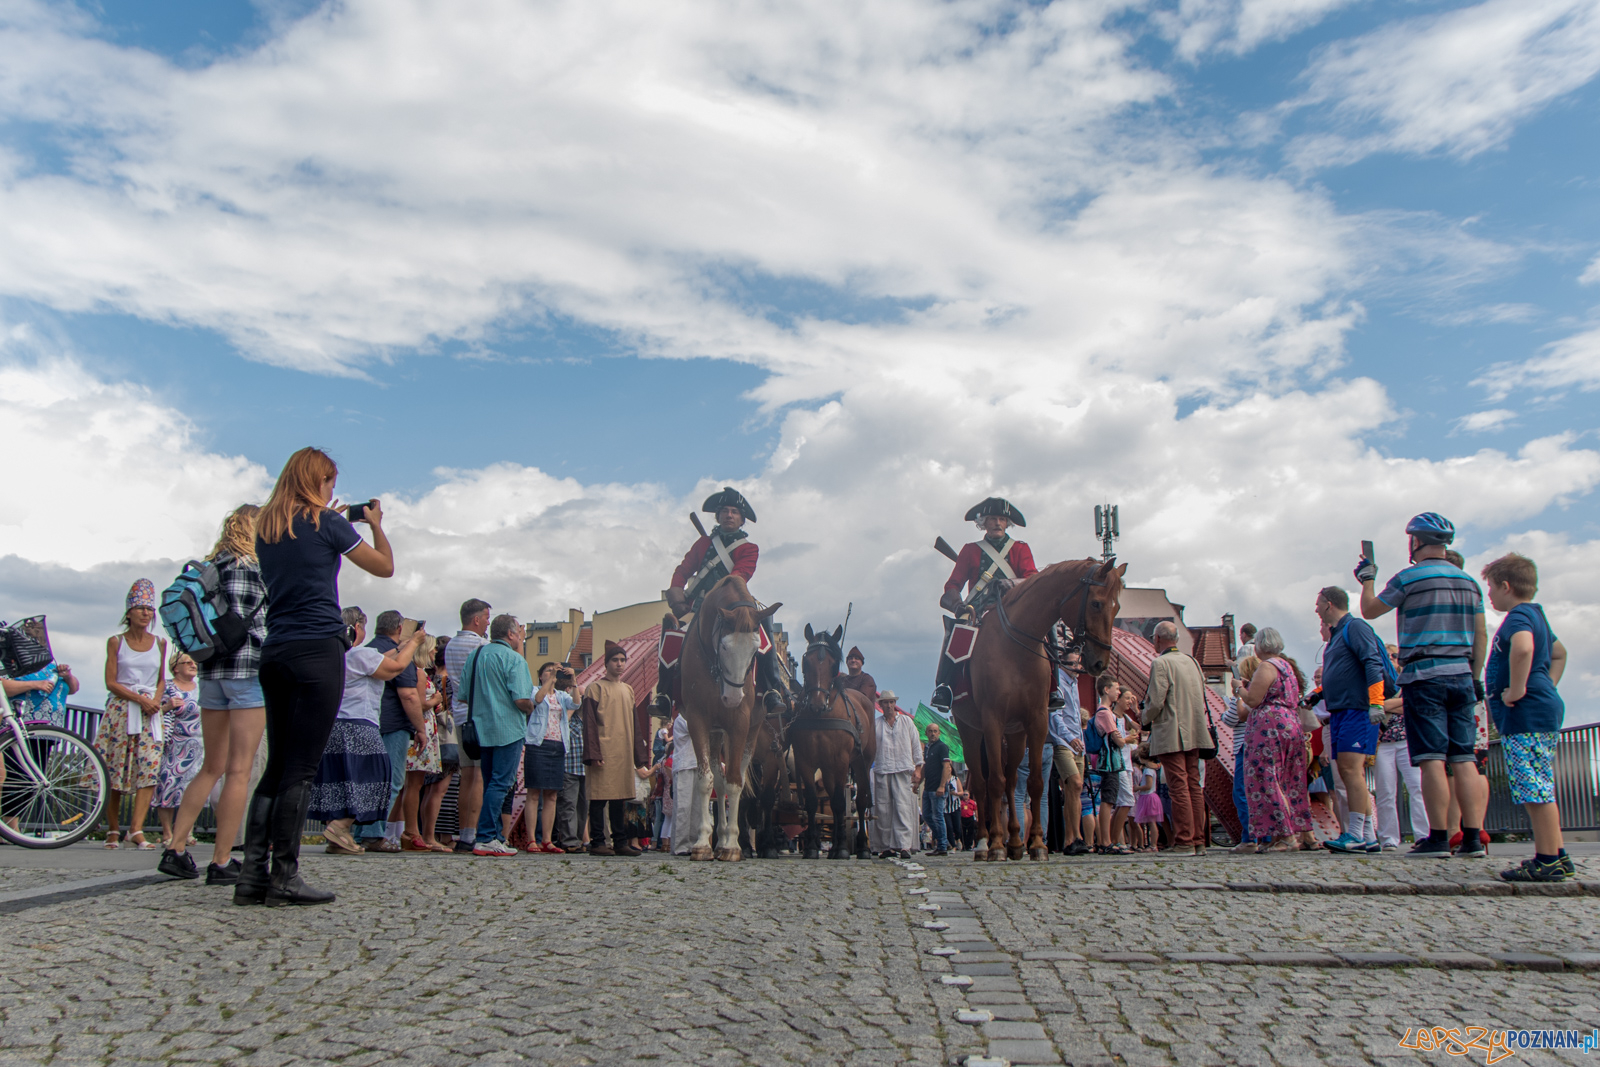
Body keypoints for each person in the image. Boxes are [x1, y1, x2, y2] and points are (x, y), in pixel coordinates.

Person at [243, 447, 395, 906]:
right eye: (329, 480)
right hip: (317, 649)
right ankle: (285, 876)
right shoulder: (329, 524)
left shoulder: (267, 528)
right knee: (302, 769)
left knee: (276, 768)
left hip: (276, 650)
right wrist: (375, 524)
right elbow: (384, 567)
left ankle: (252, 875)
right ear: (319, 481)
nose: (332, 489)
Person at [1358, 512, 1489, 859]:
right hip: (1462, 674)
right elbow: (1481, 636)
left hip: (1423, 675)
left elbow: (1370, 611)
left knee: (1431, 758)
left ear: (1414, 542)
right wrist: (1475, 677)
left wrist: (1367, 580)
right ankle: (1473, 838)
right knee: (1464, 758)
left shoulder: (1409, 578)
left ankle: (1439, 837)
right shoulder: (1468, 582)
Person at [158, 504, 269, 885]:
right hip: (248, 674)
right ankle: (221, 860)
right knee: (239, 770)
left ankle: (175, 847)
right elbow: (262, 627)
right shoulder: (255, 568)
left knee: (211, 766)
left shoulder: (212, 568)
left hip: (210, 674)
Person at [1481, 554, 1573, 882]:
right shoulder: (1537, 615)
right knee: (1538, 782)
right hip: (1541, 706)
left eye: (1491, 587)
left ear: (1506, 586)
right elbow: (1560, 652)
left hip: (1525, 713)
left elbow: (1522, 649)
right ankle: (1557, 853)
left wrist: (1516, 690)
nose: (1489, 595)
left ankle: (1547, 859)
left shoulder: (1518, 617)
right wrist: (1546, 683)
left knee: (1533, 786)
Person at [658, 487, 788, 715]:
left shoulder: (749, 549)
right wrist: (677, 590)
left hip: (732, 606)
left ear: (741, 519)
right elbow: (684, 569)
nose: (729, 515)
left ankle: (771, 690)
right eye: (725, 511)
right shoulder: (702, 545)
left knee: (764, 630)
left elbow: (737, 578)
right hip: (697, 608)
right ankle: (664, 695)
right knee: (670, 632)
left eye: (735, 512)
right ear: (718, 516)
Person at [310, 607, 425, 855]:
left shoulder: (338, 655)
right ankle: (340, 826)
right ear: (358, 627)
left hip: (334, 724)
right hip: (360, 724)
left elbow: (380, 658)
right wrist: (414, 642)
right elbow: (394, 668)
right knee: (375, 779)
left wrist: (400, 645)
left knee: (343, 781)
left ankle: (338, 837)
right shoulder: (360, 655)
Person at [932, 497, 1061, 710]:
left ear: (1007, 523)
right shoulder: (970, 550)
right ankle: (945, 686)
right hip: (978, 609)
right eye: (992, 519)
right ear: (983, 522)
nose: (997, 523)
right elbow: (952, 585)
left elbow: (1032, 579)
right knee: (958, 629)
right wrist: (958, 606)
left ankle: (1054, 687)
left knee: (1049, 626)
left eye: (1002, 519)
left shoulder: (1020, 549)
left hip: (1016, 607)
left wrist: (1008, 583)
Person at [1313, 586, 1387, 854]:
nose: (1316, 609)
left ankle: (1355, 833)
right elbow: (1343, 672)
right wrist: (1318, 694)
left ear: (1329, 604)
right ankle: (1367, 835)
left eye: (1318, 604)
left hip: (1357, 708)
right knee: (1347, 770)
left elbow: (1372, 662)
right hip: (1341, 709)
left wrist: (1377, 701)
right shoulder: (1337, 635)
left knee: (1350, 770)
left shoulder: (1355, 627)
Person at [96, 579, 168, 850]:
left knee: (148, 768)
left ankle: (136, 829)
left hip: (150, 711)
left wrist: (155, 701)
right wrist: (139, 699)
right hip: (122, 710)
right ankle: (113, 829)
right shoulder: (116, 642)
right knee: (115, 769)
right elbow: (111, 681)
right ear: (128, 612)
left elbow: (162, 678)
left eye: (149, 609)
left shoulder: (160, 643)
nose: (145, 613)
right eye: (140, 608)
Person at [458, 614, 533, 857]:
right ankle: (487, 836)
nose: (521, 636)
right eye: (519, 632)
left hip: (482, 728)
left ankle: (496, 837)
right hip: (508, 728)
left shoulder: (476, 655)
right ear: (511, 634)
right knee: (501, 783)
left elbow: (462, 695)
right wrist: (532, 706)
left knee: (491, 782)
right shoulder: (515, 659)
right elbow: (521, 699)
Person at [354, 611, 426, 852]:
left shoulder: (366, 650)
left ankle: (356, 831)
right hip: (393, 724)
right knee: (390, 780)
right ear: (399, 628)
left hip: (367, 721)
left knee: (365, 779)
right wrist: (420, 728)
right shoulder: (399, 655)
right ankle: (374, 832)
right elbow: (408, 695)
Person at [1237, 629, 1312, 853]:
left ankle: (1285, 836)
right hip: (1291, 723)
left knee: (1265, 779)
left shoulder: (1267, 666)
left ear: (1260, 646)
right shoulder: (1287, 666)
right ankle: (1289, 834)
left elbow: (1253, 699)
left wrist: (1238, 688)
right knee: (1288, 780)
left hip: (1269, 727)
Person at [1140, 620, 1210, 855]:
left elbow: (1156, 701)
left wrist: (1144, 717)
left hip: (1172, 732)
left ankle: (1183, 840)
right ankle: (1199, 840)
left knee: (1177, 786)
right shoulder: (1192, 662)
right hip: (1195, 730)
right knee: (1194, 786)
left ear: (1157, 638)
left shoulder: (1161, 663)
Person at [582, 640, 649, 856]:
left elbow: (635, 725)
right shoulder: (595, 688)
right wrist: (593, 753)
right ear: (606, 663)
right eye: (615, 660)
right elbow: (589, 723)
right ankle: (597, 842)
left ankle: (620, 842)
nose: (619, 664)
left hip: (622, 752)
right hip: (603, 749)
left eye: (622, 660)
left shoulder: (628, 690)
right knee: (599, 798)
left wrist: (639, 757)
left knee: (619, 799)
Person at [444, 597, 492, 853]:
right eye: (486, 618)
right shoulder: (482, 646)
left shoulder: (451, 645)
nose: (487, 623)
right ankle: (474, 833)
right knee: (479, 777)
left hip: (461, 715)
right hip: (481, 717)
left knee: (467, 776)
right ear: (476, 619)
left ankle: (464, 831)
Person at [1373, 644, 1428, 851]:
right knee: (1386, 790)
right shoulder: (1378, 682)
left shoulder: (1409, 680)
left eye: (1394, 655)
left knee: (1417, 787)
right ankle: (1388, 837)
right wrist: (1395, 705)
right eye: (1387, 656)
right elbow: (1377, 705)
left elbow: (1412, 705)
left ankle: (1423, 834)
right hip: (1384, 741)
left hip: (1407, 739)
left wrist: (1388, 706)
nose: (1392, 659)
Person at [522, 661, 576, 853]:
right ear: (540, 675)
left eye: (553, 671)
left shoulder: (562, 696)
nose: (551, 674)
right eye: (547, 671)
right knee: (534, 792)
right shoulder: (534, 689)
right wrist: (549, 680)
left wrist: (573, 680)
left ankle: (546, 839)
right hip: (538, 743)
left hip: (558, 745)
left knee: (552, 794)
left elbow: (576, 703)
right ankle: (531, 839)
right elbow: (536, 700)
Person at [154, 652, 204, 849]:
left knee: (191, 788)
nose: (193, 665)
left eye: (194, 662)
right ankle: (167, 832)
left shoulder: (200, 688)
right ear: (176, 667)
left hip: (197, 744)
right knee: (167, 785)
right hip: (173, 742)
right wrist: (166, 706)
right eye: (187, 662)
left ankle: (185, 831)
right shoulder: (166, 686)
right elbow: (153, 709)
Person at [401, 633, 445, 851]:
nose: (434, 652)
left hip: (425, 728)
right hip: (422, 729)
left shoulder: (420, 673)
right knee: (413, 784)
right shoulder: (418, 673)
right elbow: (418, 704)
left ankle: (408, 830)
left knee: (413, 784)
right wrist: (434, 701)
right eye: (432, 648)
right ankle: (412, 831)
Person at [873, 692, 923, 857]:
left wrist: (918, 768)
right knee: (883, 809)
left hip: (902, 768)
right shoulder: (876, 724)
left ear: (894, 704)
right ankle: (885, 846)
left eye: (891, 702)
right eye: (885, 702)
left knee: (902, 807)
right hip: (882, 768)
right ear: (881, 705)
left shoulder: (906, 721)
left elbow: (916, 744)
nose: (888, 705)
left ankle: (904, 846)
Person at [1049, 651, 1088, 855]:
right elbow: (1056, 715)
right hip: (1063, 741)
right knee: (1075, 783)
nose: (1079, 667)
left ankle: (1071, 838)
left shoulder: (1074, 685)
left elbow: (1075, 714)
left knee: (1073, 790)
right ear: (1063, 664)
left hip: (1077, 742)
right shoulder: (1059, 684)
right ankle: (1076, 836)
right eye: (1075, 663)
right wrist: (1068, 737)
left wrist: (1079, 738)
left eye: (1079, 663)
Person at [558, 690, 590, 852]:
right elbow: (561, 730)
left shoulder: (591, 722)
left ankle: (577, 839)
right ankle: (569, 840)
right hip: (569, 767)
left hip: (587, 769)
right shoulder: (570, 719)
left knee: (583, 807)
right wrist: (570, 709)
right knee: (569, 804)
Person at [920, 718, 952, 856]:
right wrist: (918, 782)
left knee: (938, 816)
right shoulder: (927, 748)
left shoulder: (942, 747)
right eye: (930, 731)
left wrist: (942, 786)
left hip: (937, 788)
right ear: (926, 733)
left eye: (935, 731)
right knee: (927, 815)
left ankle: (943, 846)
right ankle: (943, 840)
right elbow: (925, 767)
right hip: (928, 787)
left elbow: (947, 767)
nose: (933, 734)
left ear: (939, 733)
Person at [670, 709, 697, 856]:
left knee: (696, 808)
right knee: (683, 806)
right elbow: (695, 729)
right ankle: (680, 845)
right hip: (684, 764)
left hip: (697, 764)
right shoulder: (682, 718)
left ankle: (693, 843)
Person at [1132, 746, 1163, 851]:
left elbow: (1148, 786)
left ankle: (1153, 845)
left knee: (1151, 822)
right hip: (1147, 796)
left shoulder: (1148, 771)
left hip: (1148, 797)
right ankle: (1152, 844)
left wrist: (1138, 788)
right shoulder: (1149, 769)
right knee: (1150, 822)